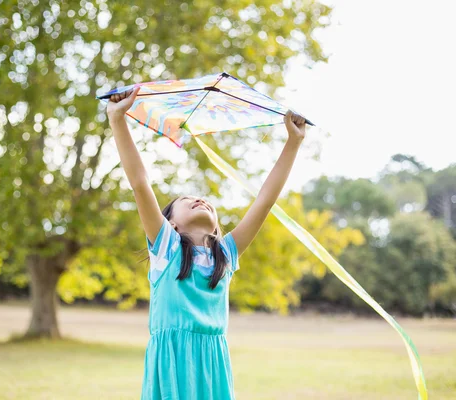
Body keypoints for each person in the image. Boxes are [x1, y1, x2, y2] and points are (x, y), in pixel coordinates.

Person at [106, 85, 306, 400]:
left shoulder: (225, 254)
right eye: (188, 200)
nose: (200, 199)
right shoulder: (166, 248)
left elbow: (264, 201)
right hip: (173, 364)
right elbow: (139, 183)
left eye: (205, 201)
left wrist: (293, 143)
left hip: (213, 365)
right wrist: (117, 119)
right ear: (170, 222)